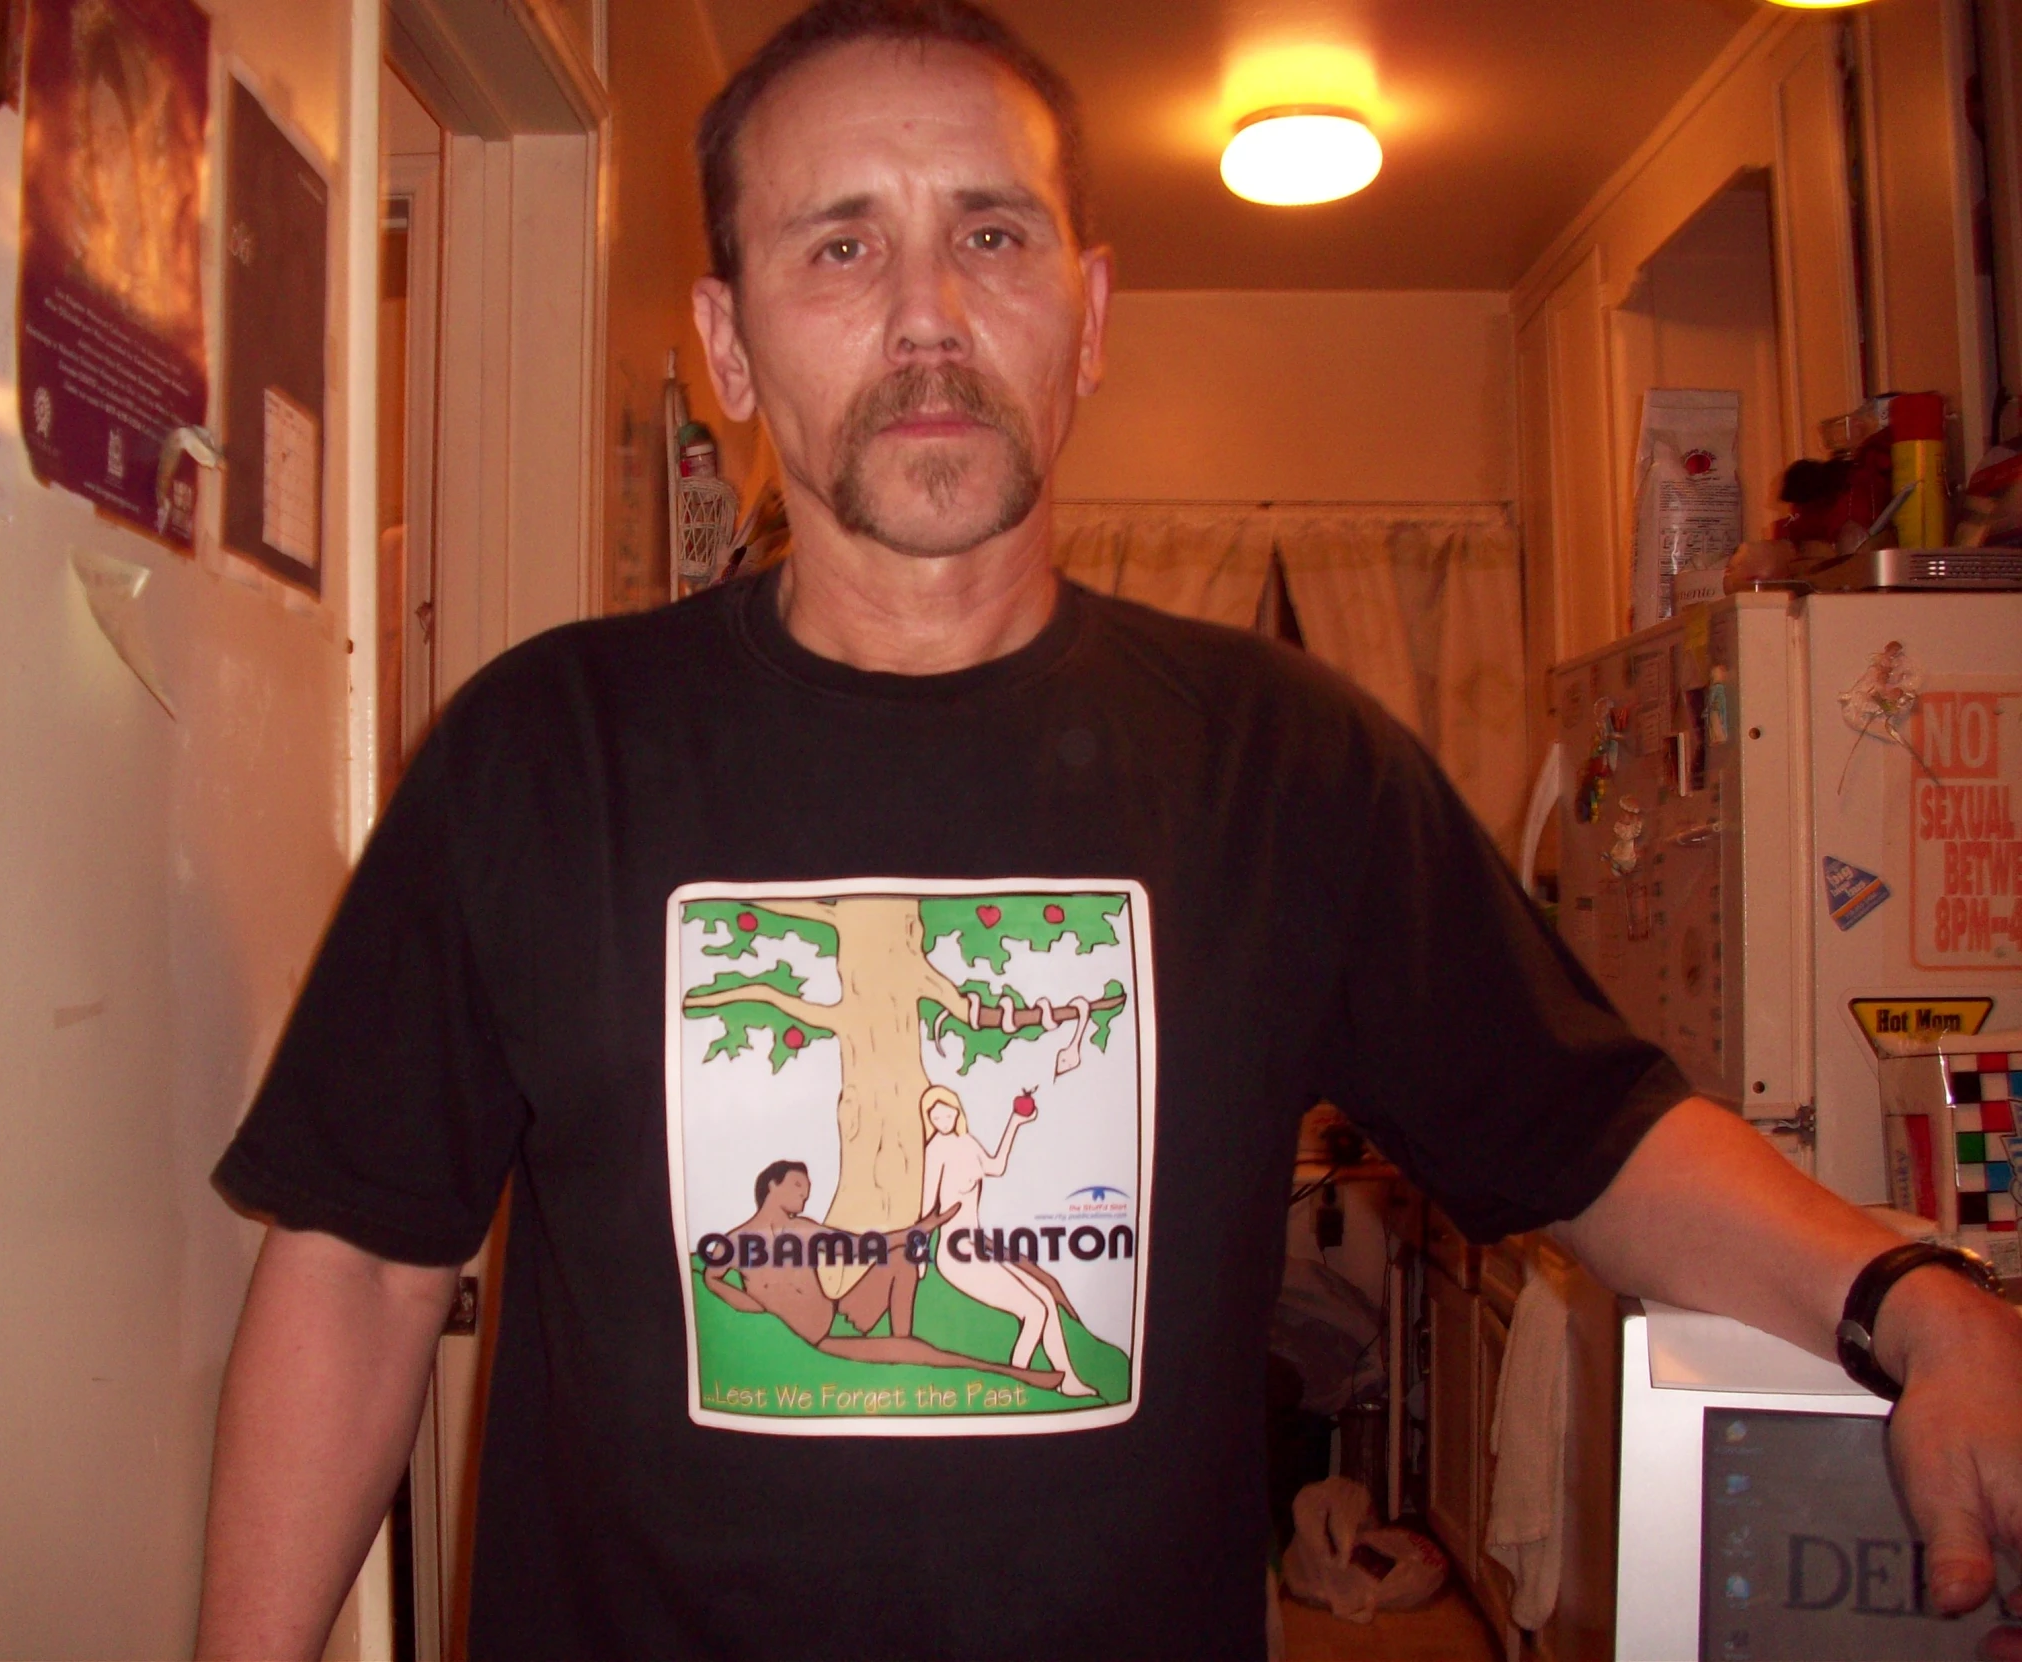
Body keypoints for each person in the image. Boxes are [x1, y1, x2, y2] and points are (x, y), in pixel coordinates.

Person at [197, 2, 2022, 1657]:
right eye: (840, 245)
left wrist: (1912, 1294)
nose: (925, 312)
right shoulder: (537, 749)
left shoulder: (1287, 763)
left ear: (1085, 315)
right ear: (728, 344)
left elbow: (1589, 1132)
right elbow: (360, 1263)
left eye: (989, 235)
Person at [699, 1157, 1061, 1388]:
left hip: (840, 1316)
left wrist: (924, 1226)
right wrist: (749, 1305)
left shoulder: (804, 1230)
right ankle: (1017, 1375)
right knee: (933, 1356)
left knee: (901, 1255)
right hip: (821, 1340)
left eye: (807, 1193)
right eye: (797, 1187)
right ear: (772, 1185)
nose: (804, 1197)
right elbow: (711, 1277)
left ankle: (901, 1343)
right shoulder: (735, 1241)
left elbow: (865, 1245)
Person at [917, 1084, 1095, 1396]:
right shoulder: (935, 1150)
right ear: (928, 1119)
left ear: (957, 1111)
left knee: (1046, 1300)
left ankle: (1067, 1379)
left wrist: (1015, 1121)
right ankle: (1019, 1380)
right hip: (954, 1252)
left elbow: (996, 1166)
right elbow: (926, 1204)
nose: (943, 1118)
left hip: (975, 1244)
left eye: (948, 1112)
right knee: (1034, 1310)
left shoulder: (968, 1143)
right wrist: (918, 1254)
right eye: (935, 1115)